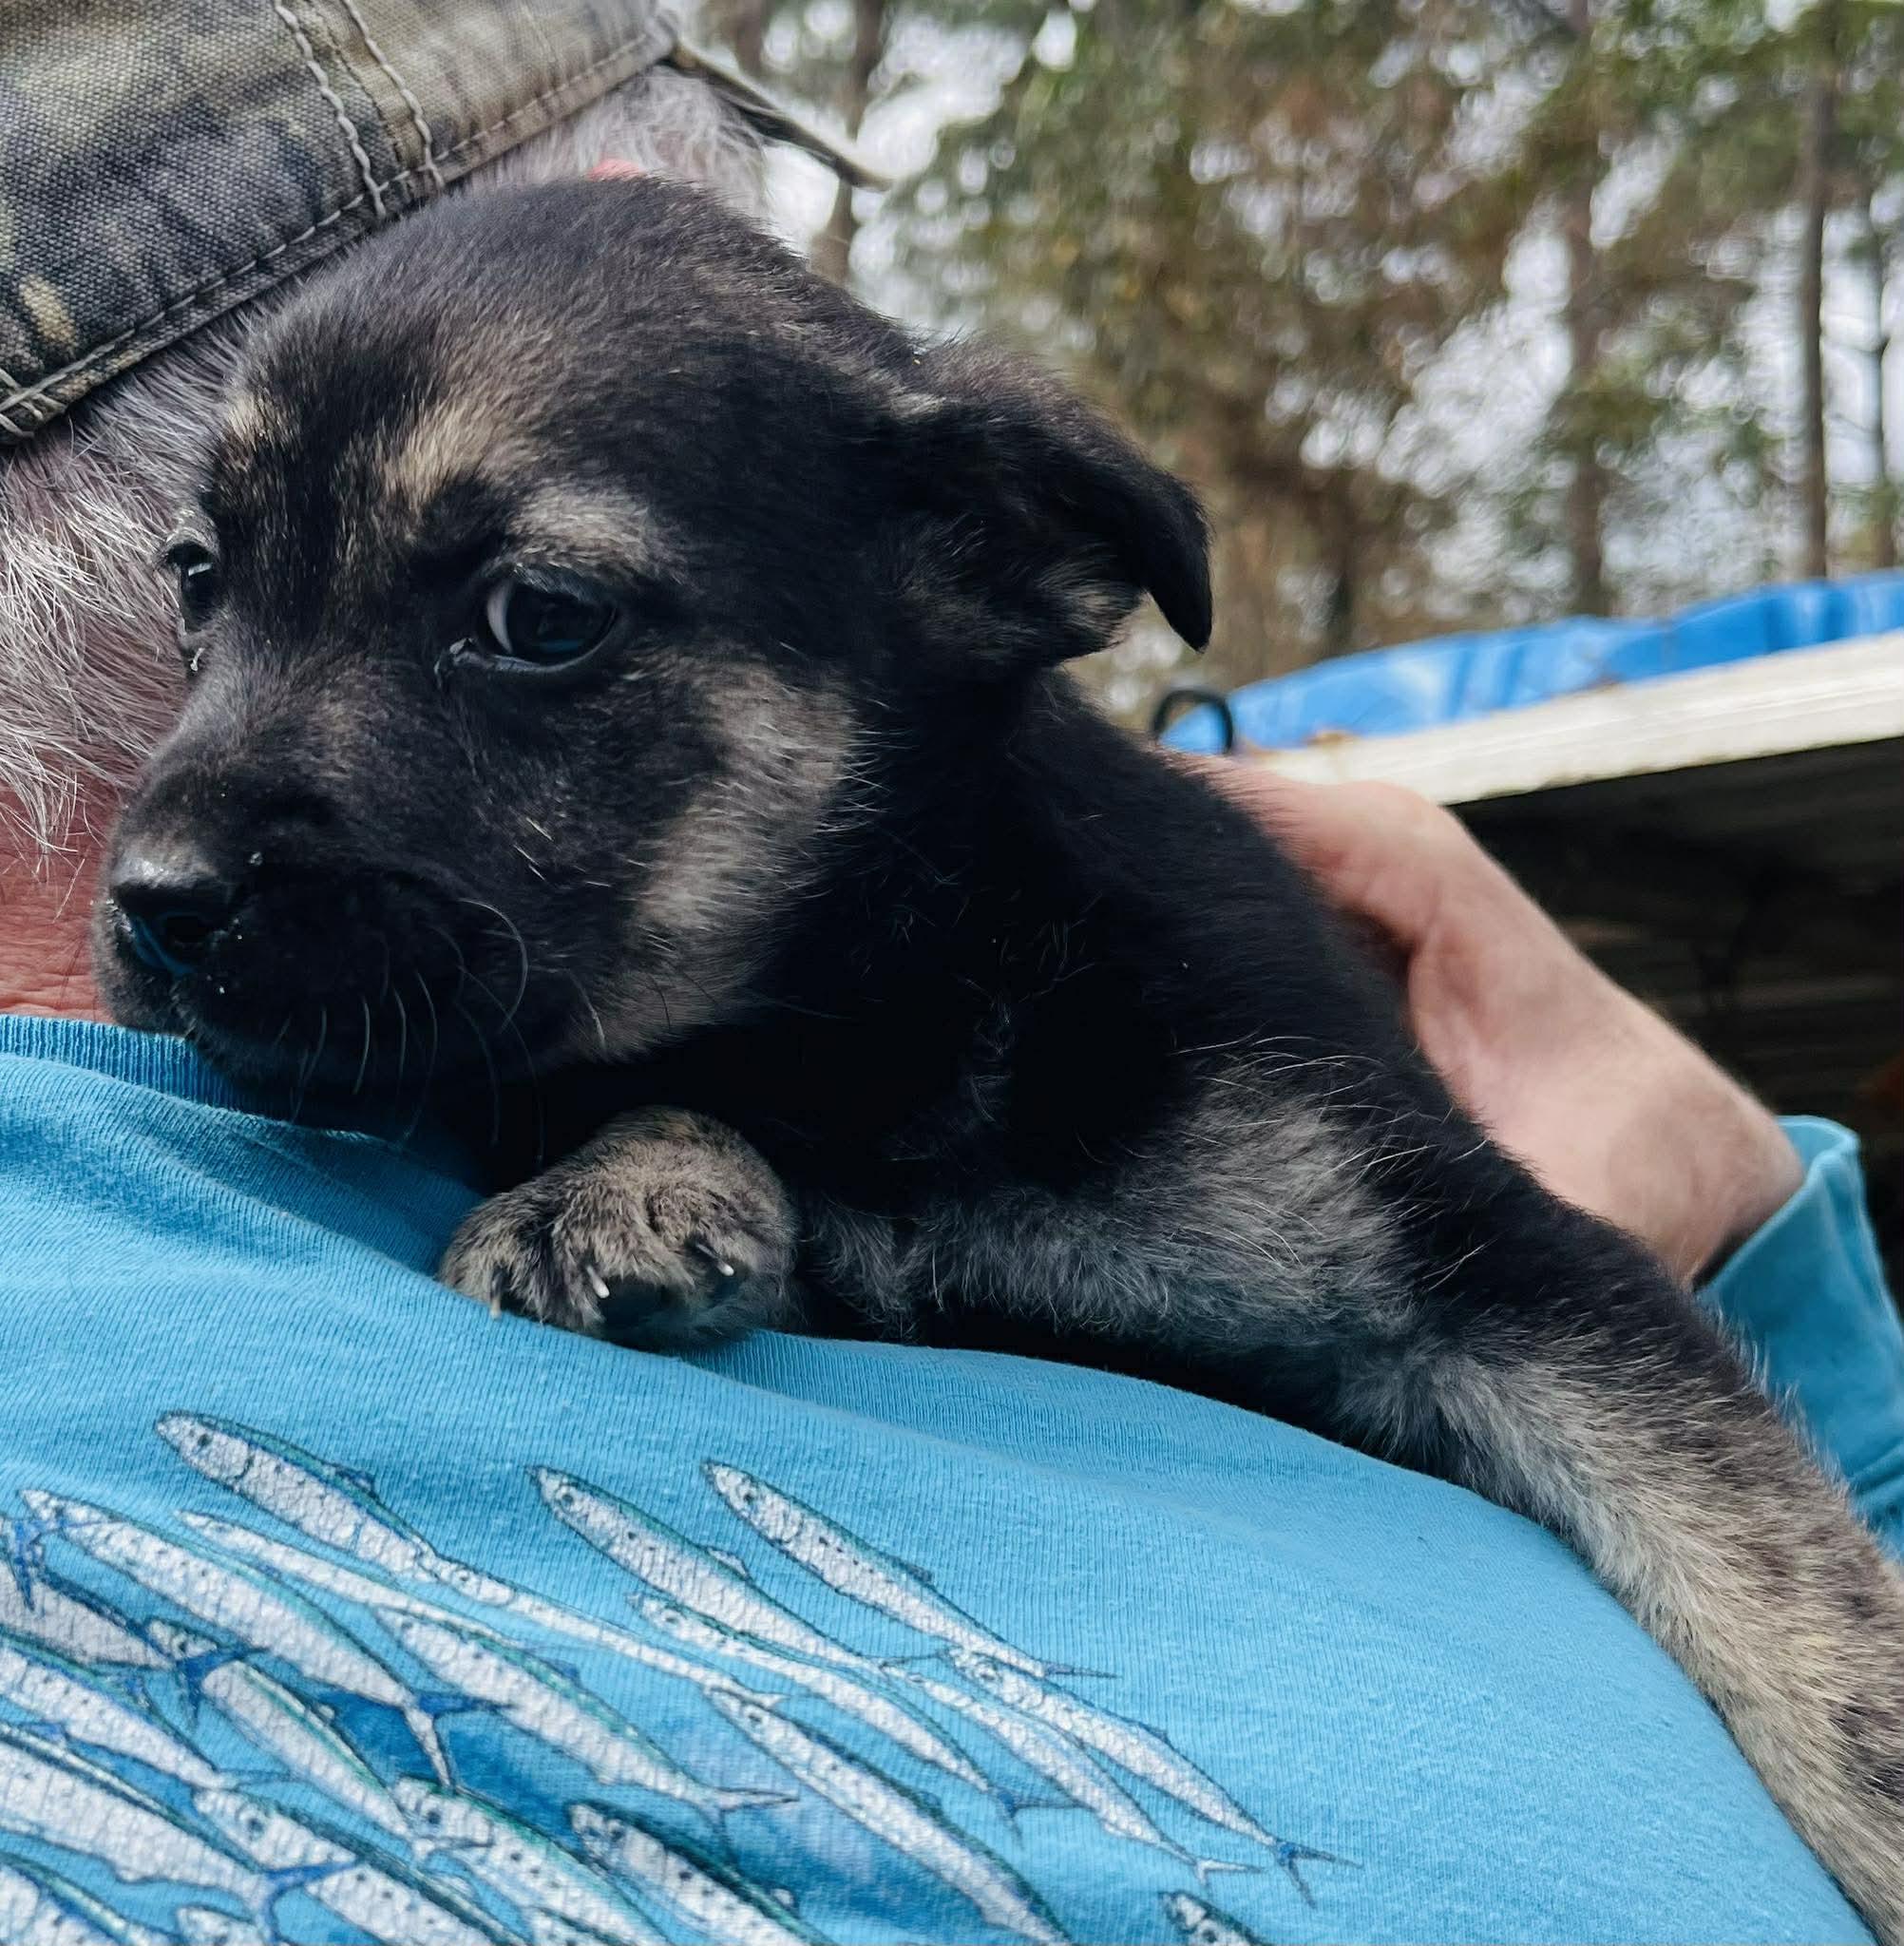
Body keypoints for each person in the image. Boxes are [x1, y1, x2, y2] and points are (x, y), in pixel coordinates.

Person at [1, 10, 1899, 1941]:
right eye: (214, 583)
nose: (184, 839)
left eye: (536, 620)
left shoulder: (1167, 1018)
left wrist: (1755, 1246)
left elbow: (1515, 1316)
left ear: (980, 565)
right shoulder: (467, 1075)